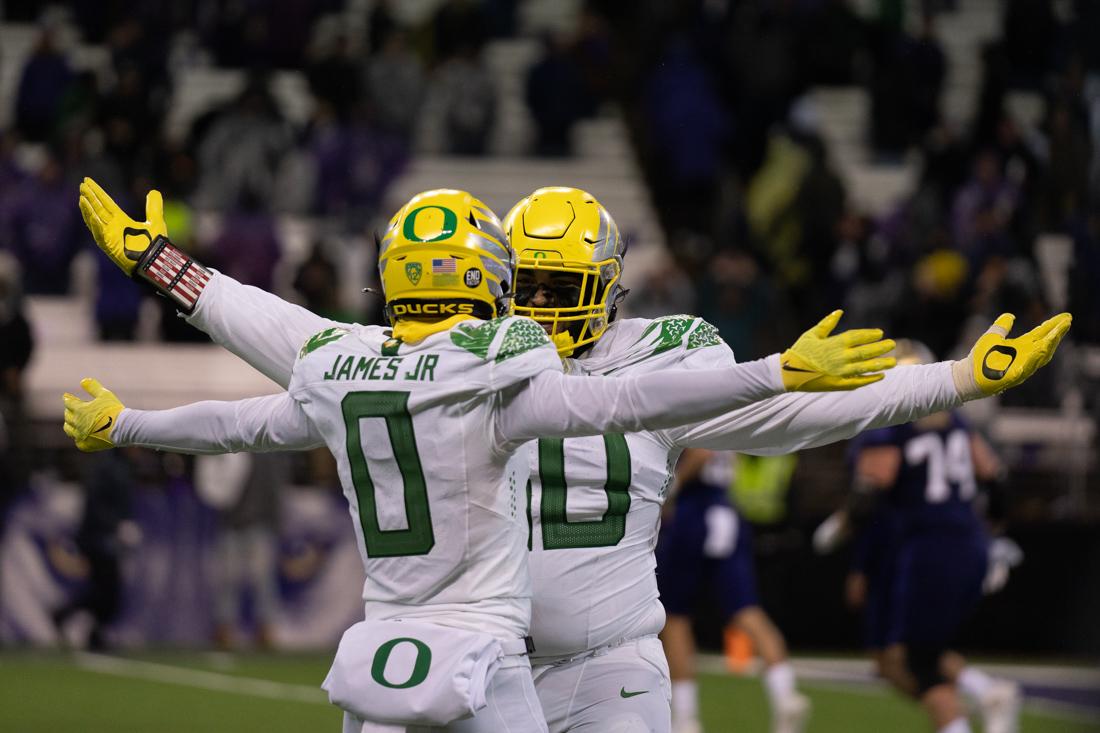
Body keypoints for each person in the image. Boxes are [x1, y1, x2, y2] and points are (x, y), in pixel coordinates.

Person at [76, 180, 1069, 732]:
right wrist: (158, 265)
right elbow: (281, 338)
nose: (543, 303)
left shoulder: (653, 358)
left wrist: (953, 378)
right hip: (487, 662)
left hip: (605, 666)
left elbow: (798, 412)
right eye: (529, 280)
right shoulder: (471, 361)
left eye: (560, 282)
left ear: (603, 282)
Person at [815, 340, 1023, 733]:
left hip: (927, 550)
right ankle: (985, 692)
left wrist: (840, 526)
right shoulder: (955, 421)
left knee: (911, 660)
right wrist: (991, 537)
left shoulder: (893, 425)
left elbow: (871, 492)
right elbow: (996, 480)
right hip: (962, 544)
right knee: (910, 654)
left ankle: (975, 705)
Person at [657, 448, 808, 733]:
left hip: (696, 512)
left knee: (676, 617)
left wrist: (670, 488)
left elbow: (703, 449)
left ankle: (686, 718)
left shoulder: (697, 407)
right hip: (726, 510)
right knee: (746, 610)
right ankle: (784, 694)